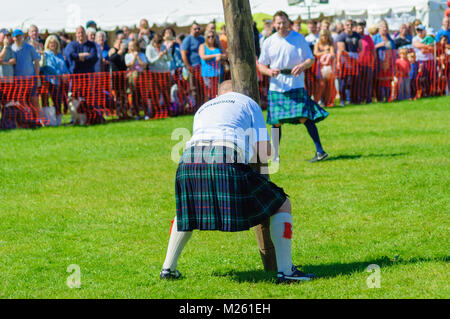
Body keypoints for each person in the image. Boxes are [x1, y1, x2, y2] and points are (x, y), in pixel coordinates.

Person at [160, 80, 316, 284]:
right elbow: (264, 152)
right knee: (281, 204)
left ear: (218, 94)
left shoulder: (203, 108)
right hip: (225, 157)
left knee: (187, 211)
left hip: (188, 160)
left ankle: (168, 269)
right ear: (239, 91)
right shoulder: (247, 102)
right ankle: (286, 271)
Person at [258, 11, 329, 163]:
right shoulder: (268, 41)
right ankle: (275, 156)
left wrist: (302, 66)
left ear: (288, 23)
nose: (281, 26)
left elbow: (310, 59)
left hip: (296, 83)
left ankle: (320, 151)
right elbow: (260, 64)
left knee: (304, 117)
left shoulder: (298, 38)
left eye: (284, 22)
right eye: (278, 23)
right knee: (276, 121)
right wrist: (269, 71)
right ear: (274, 24)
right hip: (276, 86)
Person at [11, 29, 41, 116]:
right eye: (16, 37)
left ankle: (37, 119)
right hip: (18, 80)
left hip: (31, 79)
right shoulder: (11, 49)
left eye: (20, 36)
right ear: (13, 38)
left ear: (23, 37)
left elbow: (36, 62)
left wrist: (36, 75)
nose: (18, 38)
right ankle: (25, 120)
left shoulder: (29, 47)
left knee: (34, 100)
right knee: (21, 101)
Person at [41, 35, 69, 118]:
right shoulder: (46, 54)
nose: (53, 45)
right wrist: (59, 74)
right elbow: (49, 67)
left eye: (54, 43)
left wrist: (67, 73)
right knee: (53, 101)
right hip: (50, 81)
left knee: (59, 101)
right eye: (51, 43)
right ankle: (50, 119)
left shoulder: (60, 55)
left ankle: (58, 119)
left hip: (61, 82)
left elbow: (64, 66)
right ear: (47, 44)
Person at [336, 19, 362, 105]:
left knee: (354, 80)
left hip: (355, 59)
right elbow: (342, 50)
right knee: (343, 81)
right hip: (345, 59)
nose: (349, 26)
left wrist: (357, 57)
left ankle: (352, 99)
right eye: (347, 25)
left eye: (350, 25)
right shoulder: (341, 36)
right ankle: (342, 100)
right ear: (344, 26)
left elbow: (360, 48)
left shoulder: (356, 35)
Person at [146, 33, 171, 118]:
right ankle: (155, 112)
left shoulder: (163, 46)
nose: (159, 45)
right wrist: (159, 56)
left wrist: (167, 55)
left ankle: (167, 111)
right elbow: (150, 61)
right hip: (155, 73)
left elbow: (169, 59)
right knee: (155, 94)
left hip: (165, 72)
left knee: (166, 92)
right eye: (157, 43)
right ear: (154, 42)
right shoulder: (149, 48)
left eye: (160, 43)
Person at [181, 23, 205, 108]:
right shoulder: (188, 39)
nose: (197, 30)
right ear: (191, 29)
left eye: (198, 29)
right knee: (194, 88)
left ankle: (203, 104)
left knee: (202, 87)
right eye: (195, 29)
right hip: (193, 67)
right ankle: (195, 106)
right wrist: (188, 66)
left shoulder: (202, 39)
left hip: (202, 66)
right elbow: (183, 54)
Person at [373, 20, 396, 102]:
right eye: (382, 27)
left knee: (388, 81)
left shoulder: (390, 38)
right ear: (379, 28)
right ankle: (379, 98)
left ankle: (388, 97)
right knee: (379, 81)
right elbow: (372, 48)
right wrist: (379, 45)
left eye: (385, 27)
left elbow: (393, 49)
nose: (384, 28)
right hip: (378, 62)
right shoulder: (375, 37)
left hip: (389, 62)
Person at [125, 39, 149, 120]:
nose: (131, 47)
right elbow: (130, 65)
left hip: (141, 76)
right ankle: (137, 113)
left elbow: (144, 65)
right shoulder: (127, 55)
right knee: (134, 95)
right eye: (129, 46)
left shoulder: (142, 55)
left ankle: (146, 113)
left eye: (132, 46)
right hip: (132, 77)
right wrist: (134, 57)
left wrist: (138, 57)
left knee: (143, 95)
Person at [199, 30, 226, 100]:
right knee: (209, 93)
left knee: (218, 92)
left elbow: (226, 55)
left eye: (212, 36)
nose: (210, 38)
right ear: (206, 38)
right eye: (208, 37)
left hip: (218, 73)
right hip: (207, 73)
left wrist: (221, 57)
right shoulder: (202, 46)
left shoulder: (218, 45)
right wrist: (216, 55)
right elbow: (203, 57)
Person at [313, 29, 335, 107]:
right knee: (321, 84)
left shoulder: (330, 44)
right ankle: (316, 101)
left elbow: (333, 54)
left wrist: (328, 54)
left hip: (328, 66)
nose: (324, 38)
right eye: (322, 36)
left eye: (326, 36)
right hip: (319, 66)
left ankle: (327, 102)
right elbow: (315, 53)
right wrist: (324, 52)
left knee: (329, 84)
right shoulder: (317, 44)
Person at [356, 20, 376, 104]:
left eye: (362, 27)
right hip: (357, 64)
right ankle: (359, 99)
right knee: (359, 83)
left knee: (367, 82)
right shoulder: (355, 38)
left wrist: (372, 62)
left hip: (367, 63)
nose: (360, 29)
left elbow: (373, 51)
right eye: (359, 27)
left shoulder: (368, 38)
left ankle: (368, 99)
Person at [109, 37, 129, 118]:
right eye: (119, 43)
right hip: (115, 76)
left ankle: (124, 112)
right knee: (117, 95)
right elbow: (111, 59)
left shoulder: (124, 52)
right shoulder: (113, 50)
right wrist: (119, 53)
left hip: (123, 76)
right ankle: (118, 112)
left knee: (124, 95)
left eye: (121, 43)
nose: (120, 44)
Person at [412, 24, 434, 97]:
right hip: (420, 60)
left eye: (421, 30)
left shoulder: (429, 37)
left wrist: (426, 49)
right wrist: (428, 46)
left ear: (424, 31)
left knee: (430, 77)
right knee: (421, 78)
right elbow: (417, 45)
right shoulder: (415, 38)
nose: (419, 32)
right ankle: (421, 93)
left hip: (430, 60)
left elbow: (433, 48)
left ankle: (430, 92)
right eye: (418, 30)